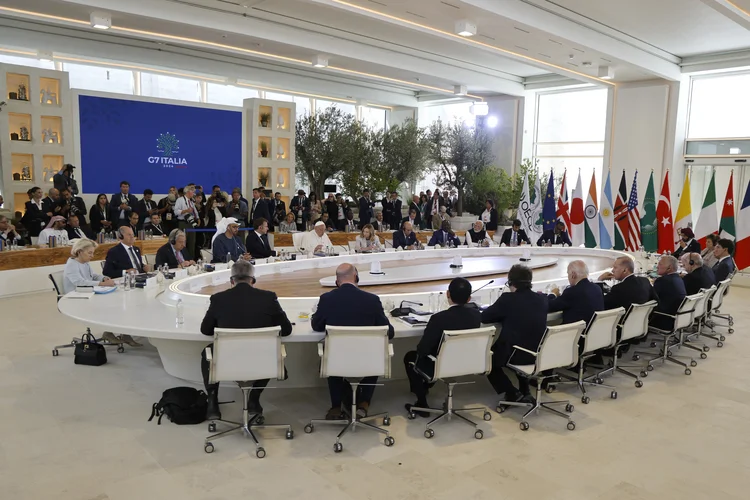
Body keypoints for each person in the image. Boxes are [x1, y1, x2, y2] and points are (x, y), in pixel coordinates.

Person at [201, 259, 293, 420]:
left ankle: (212, 402)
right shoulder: (268, 298)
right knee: (271, 348)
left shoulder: (218, 299)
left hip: (227, 360)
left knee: (207, 351)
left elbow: (205, 330)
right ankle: (254, 399)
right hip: (261, 359)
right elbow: (286, 330)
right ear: (253, 281)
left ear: (231, 281)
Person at [311, 263, 394, 419]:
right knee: (375, 354)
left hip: (337, 361)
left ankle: (336, 406)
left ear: (337, 282)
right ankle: (364, 403)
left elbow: (316, 326)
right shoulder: (372, 300)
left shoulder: (327, 299)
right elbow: (389, 333)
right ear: (356, 277)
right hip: (368, 361)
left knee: (332, 353)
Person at [403, 278, 480, 416]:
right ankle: (425, 388)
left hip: (441, 365)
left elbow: (423, 349)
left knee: (410, 357)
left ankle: (421, 401)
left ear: (447, 294)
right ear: (469, 298)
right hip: (467, 363)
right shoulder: (476, 315)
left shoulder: (439, 318)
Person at [482, 264, 547, 404]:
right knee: (523, 341)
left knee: (487, 357)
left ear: (511, 283)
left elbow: (485, 317)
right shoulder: (541, 299)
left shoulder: (507, 299)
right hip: (538, 353)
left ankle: (511, 392)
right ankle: (525, 390)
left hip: (515, 354)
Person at [547, 260, 604, 325]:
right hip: (593, 331)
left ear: (573, 275)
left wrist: (553, 294)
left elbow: (549, 306)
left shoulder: (572, 292)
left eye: (568, 274)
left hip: (574, 333)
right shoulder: (597, 288)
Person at [650, 255, 686, 331]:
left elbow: (649, 299)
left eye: (660, 264)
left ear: (669, 268)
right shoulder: (679, 279)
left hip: (663, 320)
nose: (657, 266)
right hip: (677, 319)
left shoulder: (662, 281)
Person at [174, 185, 199, 257]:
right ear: (188, 192)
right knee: (183, 242)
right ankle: (182, 259)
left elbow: (195, 211)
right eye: (193, 192)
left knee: (192, 243)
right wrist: (186, 211)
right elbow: (176, 212)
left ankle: (191, 259)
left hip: (191, 223)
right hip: (183, 223)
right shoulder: (180, 200)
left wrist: (198, 218)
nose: (194, 194)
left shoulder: (191, 201)